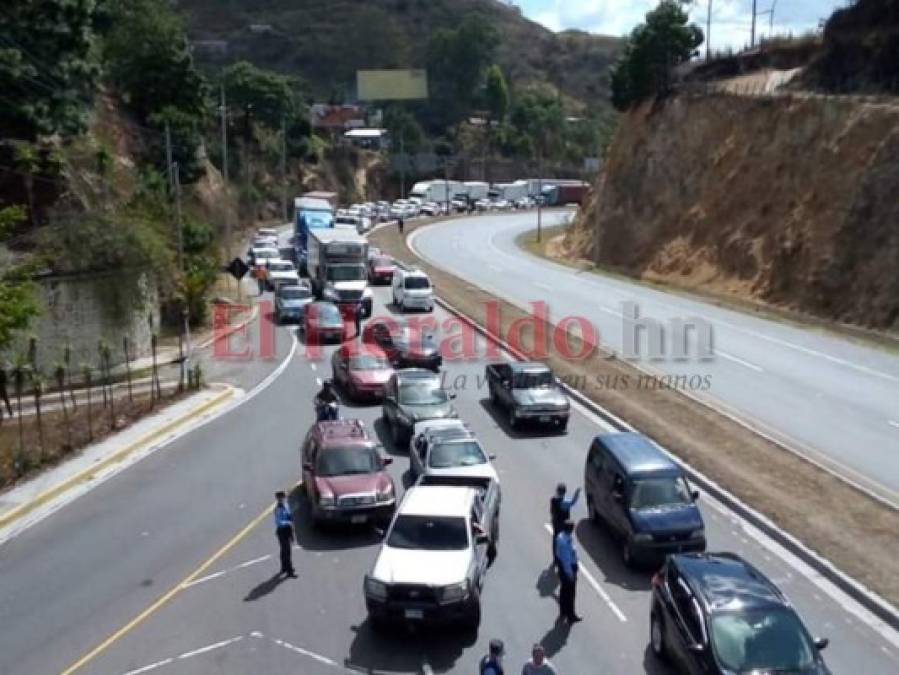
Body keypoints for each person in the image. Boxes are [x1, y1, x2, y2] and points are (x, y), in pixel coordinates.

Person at [555, 520, 581, 622]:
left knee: (564, 591)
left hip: (563, 567)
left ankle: (563, 612)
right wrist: (570, 574)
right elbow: (566, 560)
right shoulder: (565, 542)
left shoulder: (561, 536)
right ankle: (571, 615)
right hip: (568, 568)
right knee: (570, 593)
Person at [550, 483, 580, 569]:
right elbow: (573, 502)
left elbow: (552, 512)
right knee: (565, 541)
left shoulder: (553, 500)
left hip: (555, 523)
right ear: (564, 492)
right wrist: (577, 493)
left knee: (555, 540)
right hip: (563, 525)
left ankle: (556, 558)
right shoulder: (564, 503)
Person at [274, 491, 297, 577]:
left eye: (283, 498)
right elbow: (278, 522)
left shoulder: (286, 505)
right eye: (280, 498)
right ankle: (289, 571)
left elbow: (289, 514)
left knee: (284, 550)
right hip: (282, 531)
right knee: (287, 551)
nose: (282, 499)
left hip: (288, 530)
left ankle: (284, 567)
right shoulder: (278, 509)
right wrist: (288, 522)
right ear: (278, 499)